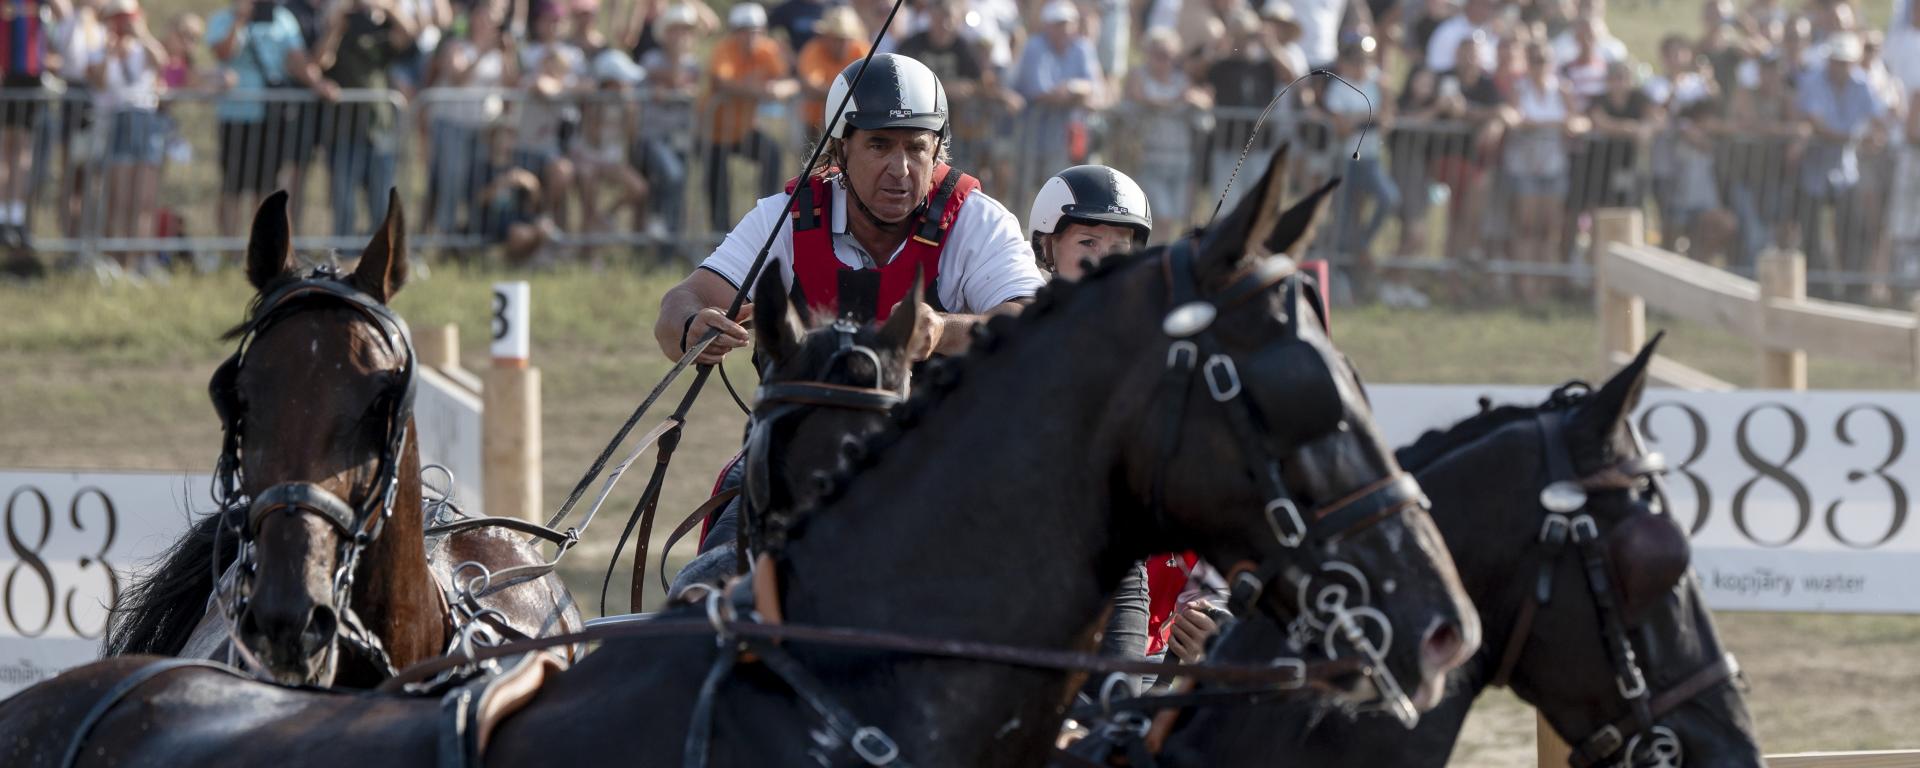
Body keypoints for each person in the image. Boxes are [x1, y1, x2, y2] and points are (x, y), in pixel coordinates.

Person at [653, 52, 1043, 367]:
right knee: (735, 471)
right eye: (879, 145)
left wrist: (944, 330)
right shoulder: (786, 219)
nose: (900, 169)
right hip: (805, 452)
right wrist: (692, 326)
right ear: (841, 149)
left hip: (941, 452)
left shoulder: (977, 220)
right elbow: (684, 299)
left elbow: (1034, 323)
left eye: (916, 148)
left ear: (936, 149)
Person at [206, 0, 330, 241]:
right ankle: (229, 249)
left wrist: (319, 84)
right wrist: (240, 20)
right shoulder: (222, 19)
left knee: (265, 187)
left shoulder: (282, 19)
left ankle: (259, 247)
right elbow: (223, 53)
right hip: (235, 116)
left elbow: (297, 60)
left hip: (271, 117)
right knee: (233, 186)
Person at [312, 0, 413, 236]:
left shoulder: (380, 28)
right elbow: (320, 61)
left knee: (381, 203)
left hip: (380, 128)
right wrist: (337, 25)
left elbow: (408, 36)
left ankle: (379, 258)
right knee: (344, 204)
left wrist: (385, 7)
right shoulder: (337, 27)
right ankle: (345, 259)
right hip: (342, 131)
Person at [1796, 31, 1888, 278]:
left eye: (1844, 61)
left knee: (1853, 231)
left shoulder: (1862, 83)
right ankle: (1817, 288)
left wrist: (1877, 136)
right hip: (1813, 171)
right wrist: (1858, 138)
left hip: (1846, 172)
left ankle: (1852, 287)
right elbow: (1819, 126)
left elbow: (1879, 118)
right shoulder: (1813, 81)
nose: (1839, 66)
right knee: (1812, 235)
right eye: (1836, 60)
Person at [702, 1, 792, 232]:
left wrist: (777, 89)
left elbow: (788, 81)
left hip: (743, 130)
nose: (752, 37)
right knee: (717, 185)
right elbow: (721, 82)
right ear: (735, 32)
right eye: (746, 31)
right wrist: (757, 90)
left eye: (757, 31)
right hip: (713, 131)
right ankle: (719, 235)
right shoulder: (724, 50)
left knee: (772, 154)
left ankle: (767, 219)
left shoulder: (766, 50)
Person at [90, 0, 164, 269]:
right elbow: (97, 81)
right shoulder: (101, 50)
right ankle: (116, 259)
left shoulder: (143, 47)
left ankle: (140, 258)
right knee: (119, 196)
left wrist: (141, 33)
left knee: (144, 198)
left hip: (145, 119)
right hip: (118, 120)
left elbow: (162, 61)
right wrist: (110, 51)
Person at [1321, 37, 1397, 297]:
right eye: (1357, 60)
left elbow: (1385, 122)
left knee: (1389, 199)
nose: (1362, 65)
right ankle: (1339, 273)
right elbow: (1341, 128)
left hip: (1371, 158)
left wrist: (1375, 109)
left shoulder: (1377, 85)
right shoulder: (1338, 88)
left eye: (1366, 60)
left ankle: (1360, 246)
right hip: (1345, 161)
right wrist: (1367, 117)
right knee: (1343, 214)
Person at [1009, 1, 1103, 203]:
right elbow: (1040, 91)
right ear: (1047, 26)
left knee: (1063, 186)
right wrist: (1075, 95)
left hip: (1067, 135)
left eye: (1068, 23)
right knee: (1026, 187)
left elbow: (1094, 87)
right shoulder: (1035, 46)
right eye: (1058, 23)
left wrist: (1069, 88)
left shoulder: (1082, 47)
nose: (1064, 29)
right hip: (1032, 132)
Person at [1124, 28, 1207, 237]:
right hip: (1149, 158)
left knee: (1177, 218)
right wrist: (1176, 102)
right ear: (1148, 53)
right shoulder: (1138, 75)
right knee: (1160, 216)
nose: (1165, 61)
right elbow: (1140, 97)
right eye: (1159, 54)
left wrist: (1192, 99)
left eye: (1170, 56)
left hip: (1180, 158)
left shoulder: (1181, 79)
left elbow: (1204, 100)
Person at [0, 0, 64, 246]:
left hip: (30, 76)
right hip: (7, 75)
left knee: (22, 149)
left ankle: (15, 216)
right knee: (6, 148)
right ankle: (3, 215)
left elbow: (62, 13)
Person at [1026, 163, 1151, 278]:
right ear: (1048, 249)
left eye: (1118, 249)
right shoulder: (1028, 299)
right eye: (1088, 243)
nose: (1103, 262)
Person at [794, 5, 865, 140]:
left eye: (846, 39)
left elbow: (869, 85)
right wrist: (848, 93)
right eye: (837, 38)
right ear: (826, 36)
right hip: (814, 125)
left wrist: (830, 92)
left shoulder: (861, 50)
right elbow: (811, 86)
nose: (842, 44)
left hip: (853, 125)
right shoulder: (813, 50)